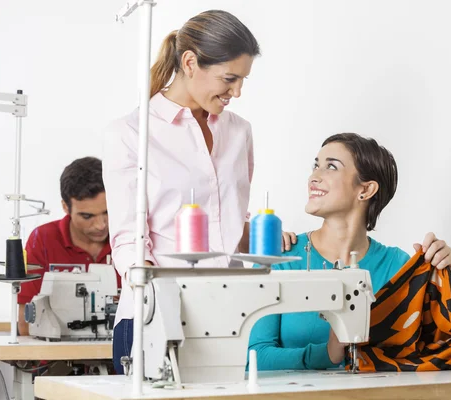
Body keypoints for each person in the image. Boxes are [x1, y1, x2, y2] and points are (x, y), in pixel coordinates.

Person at [104, 9, 297, 374]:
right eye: (229, 78)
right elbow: (128, 241)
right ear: (190, 62)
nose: (237, 92)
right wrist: (157, 306)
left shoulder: (239, 132)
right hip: (154, 317)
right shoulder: (131, 133)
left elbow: (231, 224)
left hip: (230, 318)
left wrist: (263, 238)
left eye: (243, 80)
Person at [248, 133, 451, 370]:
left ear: (366, 190)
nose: (313, 177)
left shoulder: (398, 266)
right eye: (315, 166)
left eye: (331, 167)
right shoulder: (280, 258)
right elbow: (253, 359)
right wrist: (328, 354)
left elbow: (432, 350)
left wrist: (441, 280)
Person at [18, 157, 120, 336]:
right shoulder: (43, 240)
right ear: (65, 207)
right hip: (57, 356)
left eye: (107, 212)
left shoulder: (132, 240)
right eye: (88, 216)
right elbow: (26, 319)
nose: (101, 225)